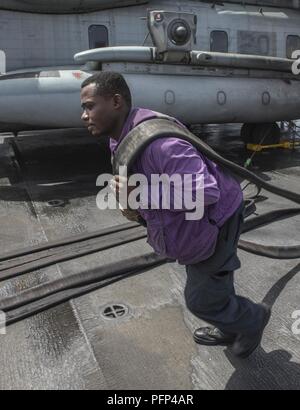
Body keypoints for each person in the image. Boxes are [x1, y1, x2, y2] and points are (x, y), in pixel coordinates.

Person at [80, 71, 271, 359]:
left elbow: (204, 192)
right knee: (215, 290)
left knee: (201, 302)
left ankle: (253, 320)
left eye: (90, 105)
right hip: (196, 223)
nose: (84, 115)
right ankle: (230, 322)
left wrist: (140, 195)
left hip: (218, 221)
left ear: (116, 101)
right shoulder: (120, 138)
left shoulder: (161, 145)